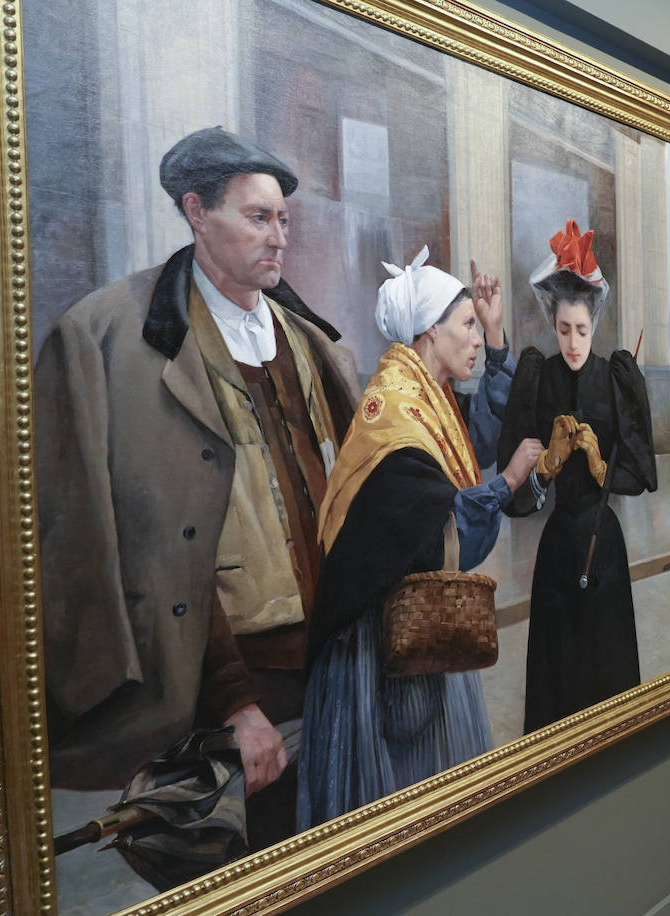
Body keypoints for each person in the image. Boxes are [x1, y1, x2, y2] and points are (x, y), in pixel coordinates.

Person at [36, 126, 359, 848]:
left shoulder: (310, 341)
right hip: (233, 680)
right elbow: (137, 543)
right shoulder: (108, 339)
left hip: (333, 660)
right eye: (257, 217)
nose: (278, 237)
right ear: (195, 212)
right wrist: (236, 703)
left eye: (283, 219)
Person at [295, 247, 540, 828]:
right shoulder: (396, 414)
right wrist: (505, 484)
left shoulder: (425, 397)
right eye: (468, 327)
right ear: (431, 332)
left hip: (417, 632)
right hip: (381, 653)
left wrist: (498, 329)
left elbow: (475, 436)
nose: (476, 339)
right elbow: (439, 539)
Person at [498, 220, 658, 734]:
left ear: (594, 324)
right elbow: (517, 495)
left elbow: (637, 472)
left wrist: (596, 463)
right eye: (564, 330)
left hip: (602, 545)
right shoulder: (536, 377)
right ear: (554, 325)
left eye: (582, 331)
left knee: (604, 666)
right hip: (557, 548)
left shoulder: (615, 378)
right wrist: (547, 465)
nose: (572, 342)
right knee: (559, 673)